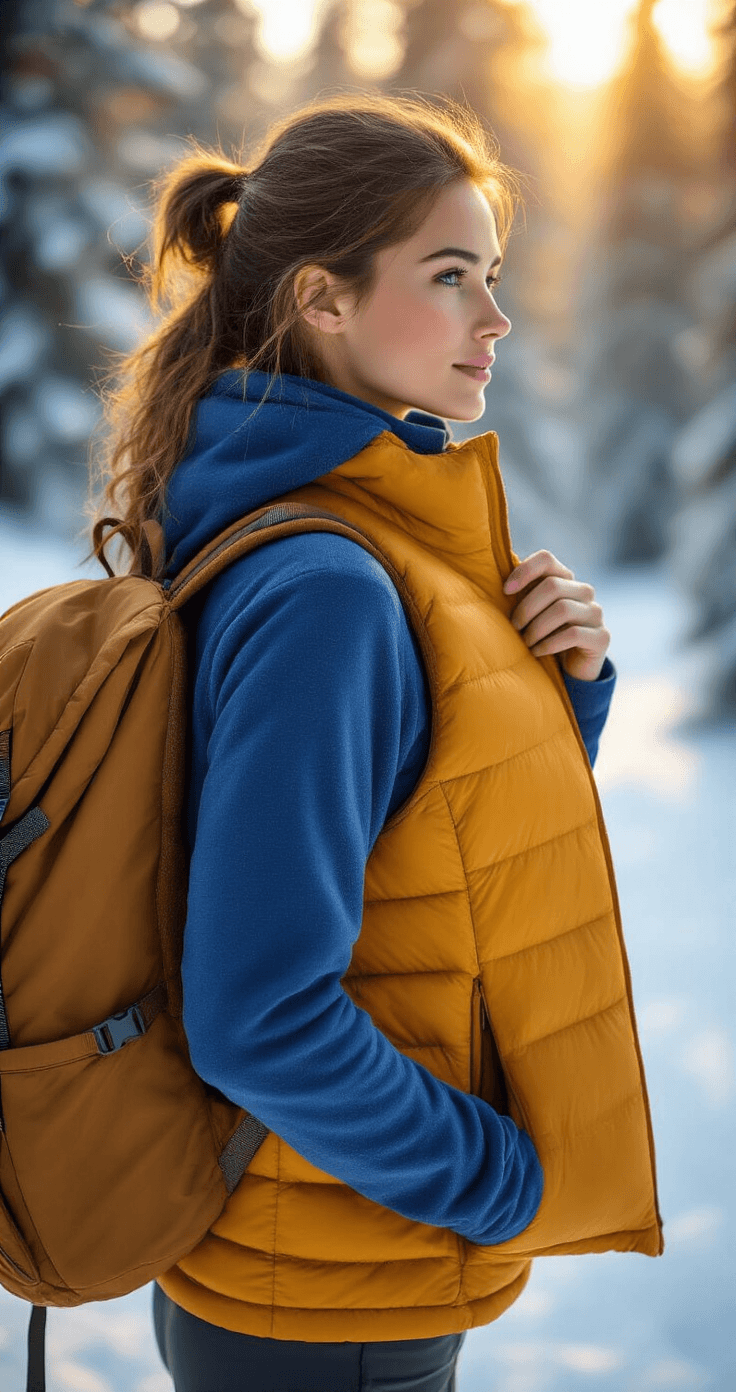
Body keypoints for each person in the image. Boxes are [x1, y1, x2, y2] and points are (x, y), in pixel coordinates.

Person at [90, 91, 662, 1392]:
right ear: (323, 300)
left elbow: (411, 854)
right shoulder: (331, 585)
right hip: (336, 1294)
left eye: (494, 277)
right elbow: (260, 1012)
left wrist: (557, 694)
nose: (494, 319)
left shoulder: (326, 534)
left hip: (301, 1256)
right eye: (449, 276)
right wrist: (495, 1175)